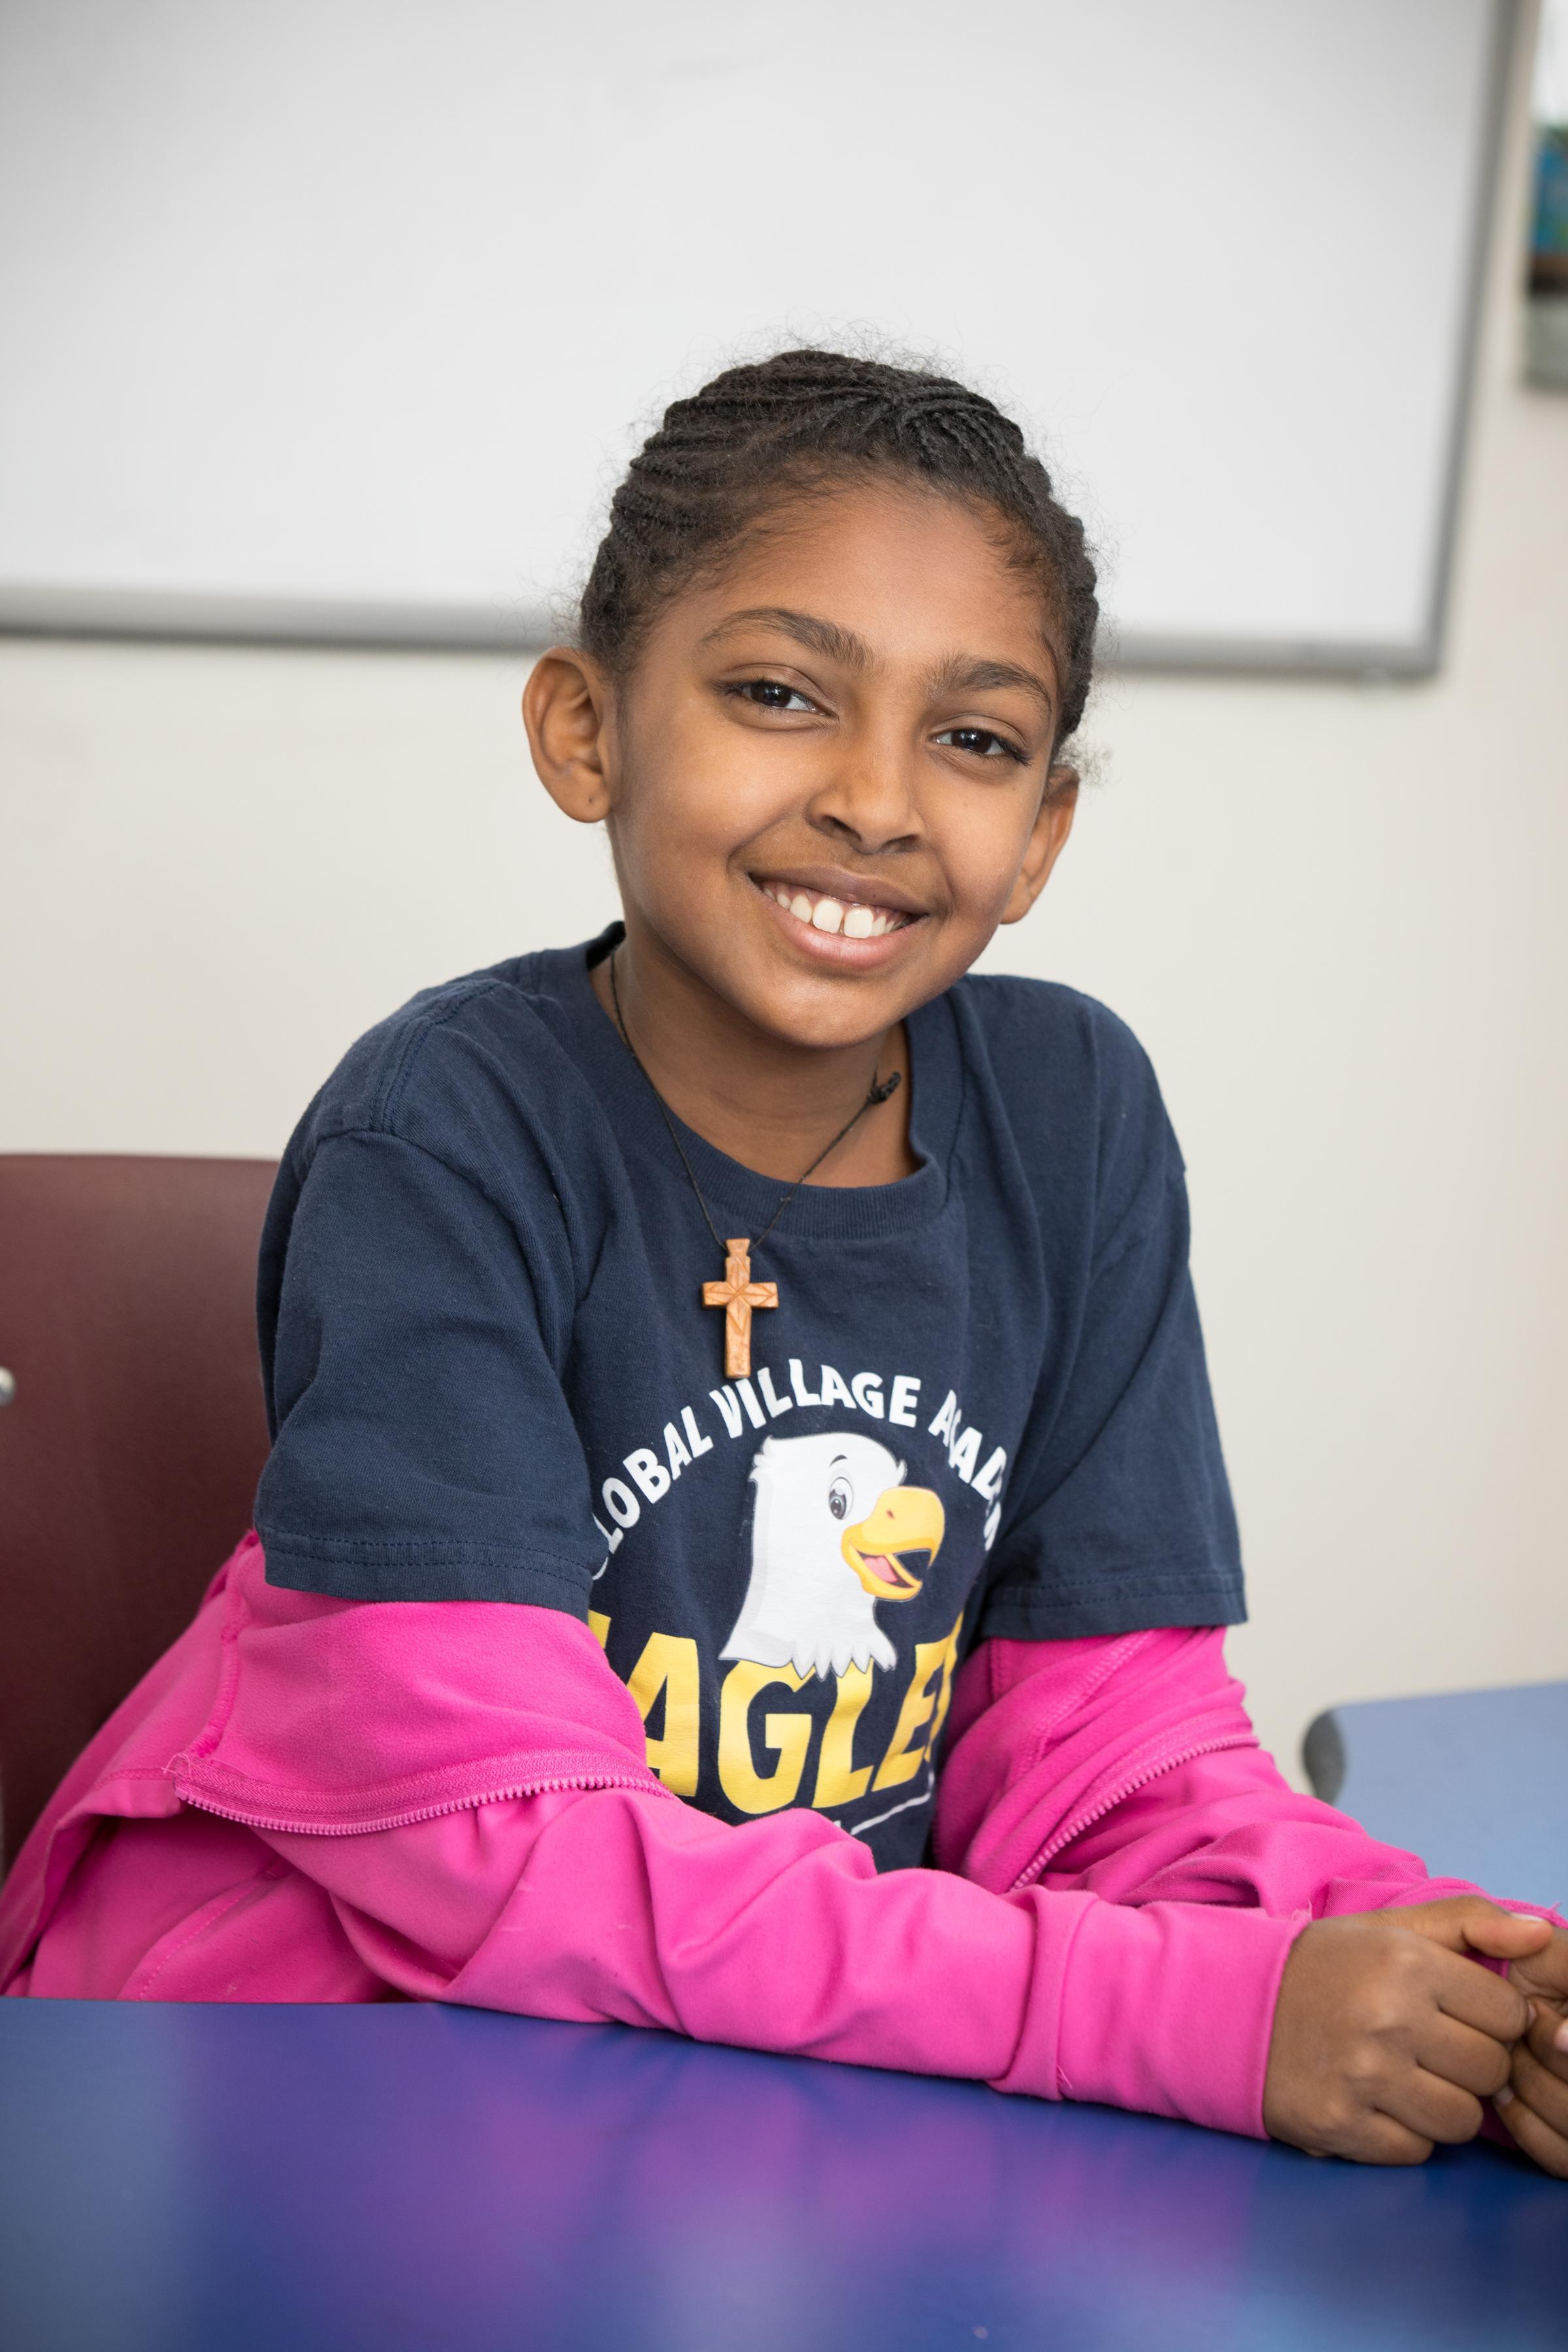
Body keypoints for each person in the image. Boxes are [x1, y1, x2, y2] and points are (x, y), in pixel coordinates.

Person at [4, 350, 1565, 2176]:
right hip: (334, 2074)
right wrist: (1180, 2010)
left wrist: (1459, 1968)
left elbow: (1115, 1755)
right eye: (777, 693)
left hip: (779, 2078)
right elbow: (507, 1860)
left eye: (974, 739)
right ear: (587, 725)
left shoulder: (1072, 1115)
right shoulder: (445, 1130)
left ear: (1044, 830)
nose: (879, 802)